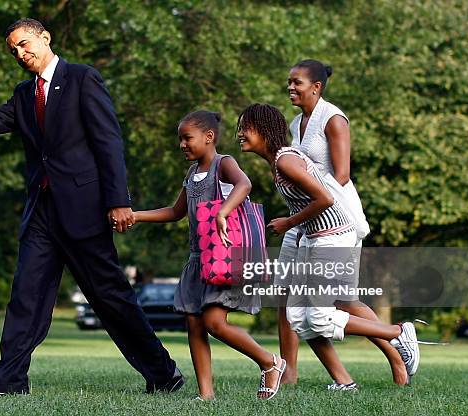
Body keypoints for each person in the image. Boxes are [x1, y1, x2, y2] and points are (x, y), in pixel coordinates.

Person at [0, 18, 182, 396]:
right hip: (41, 213)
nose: (20, 53)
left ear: (45, 38)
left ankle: (163, 374)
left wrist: (117, 201)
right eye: (14, 50)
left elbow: (108, 142)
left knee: (110, 298)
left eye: (25, 44)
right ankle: (8, 383)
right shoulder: (23, 93)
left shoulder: (82, 78)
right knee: (25, 297)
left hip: (86, 211)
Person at [238, 103, 421, 391]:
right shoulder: (279, 162)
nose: (239, 133)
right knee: (297, 316)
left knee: (322, 316)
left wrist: (289, 223)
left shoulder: (286, 161)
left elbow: (325, 199)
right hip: (315, 237)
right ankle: (345, 383)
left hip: (333, 237)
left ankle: (397, 333)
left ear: (263, 131)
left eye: (245, 127)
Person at [133, 110, 286, 400]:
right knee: (194, 323)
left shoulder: (223, 164)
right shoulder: (191, 174)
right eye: (180, 139)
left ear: (209, 137)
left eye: (187, 138)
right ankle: (206, 394)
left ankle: (270, 361)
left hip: (224, 256)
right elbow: (176, 212)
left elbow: (245, 185)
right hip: (198, 259)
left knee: (215, 323)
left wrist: (223, 212)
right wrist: (137, 216)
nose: (182, 144)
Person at [275, 59, 409, 385]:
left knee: (342, 301)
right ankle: (287, 372)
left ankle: (397, 350)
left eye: (298, 82)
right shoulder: (297, 123)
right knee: (286, 292)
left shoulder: (333, 119)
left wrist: (310, 203)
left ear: (316, 87)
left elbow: (342, 174)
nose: (291, 87)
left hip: (337, 218)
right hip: (306, 218)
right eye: (289, 82)